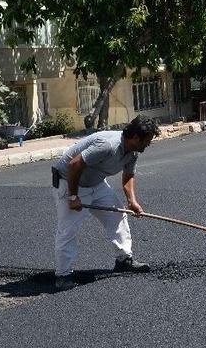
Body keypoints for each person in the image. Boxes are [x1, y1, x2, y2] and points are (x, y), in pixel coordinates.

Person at [51, 115, 161, 290]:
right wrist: (73, 197)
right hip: (70, 183)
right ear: (135, 138)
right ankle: (62, 275)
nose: (148, 145)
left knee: (118, 215)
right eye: (147, 141)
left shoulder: (133, 151)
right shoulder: (107, 145)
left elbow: (128, 175)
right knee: (68, 229)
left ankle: (124, 259)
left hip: (97, 183)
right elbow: (74, 164)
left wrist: (132, 201)